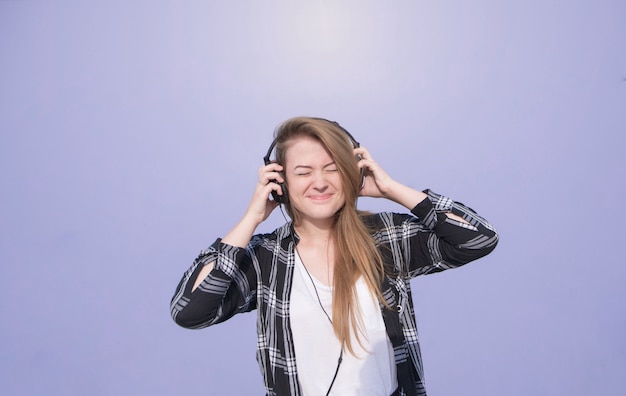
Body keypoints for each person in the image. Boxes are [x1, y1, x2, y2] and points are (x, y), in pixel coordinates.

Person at [170, 117, 498, 396]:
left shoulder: (384, 239)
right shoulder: (265, 258)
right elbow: (190, 310)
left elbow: (478, 239)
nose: (320, 182)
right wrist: (251, 218)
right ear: (279, 182)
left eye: (332, 169)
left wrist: (390, 189)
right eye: (303, 172)